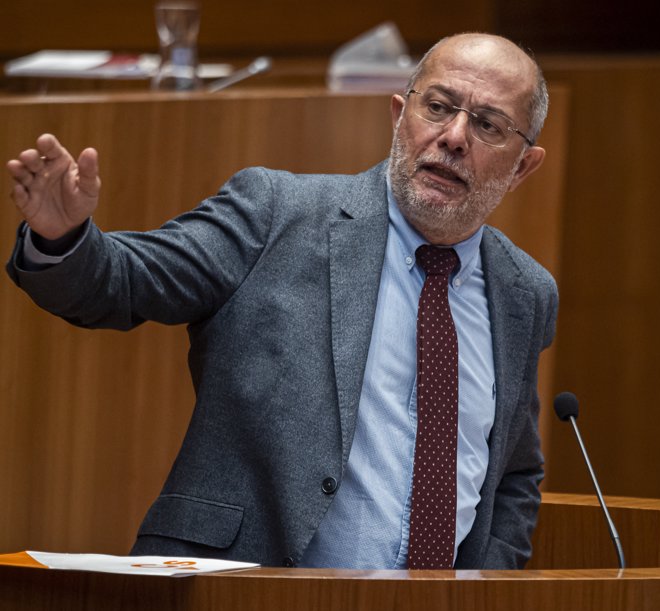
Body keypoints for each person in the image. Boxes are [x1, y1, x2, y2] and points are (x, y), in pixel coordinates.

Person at [6, 33, 557, 570]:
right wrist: (65, 239)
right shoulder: (276, 213)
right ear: (399, 116)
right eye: (438, 107)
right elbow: (127, 280)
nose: (454, 136)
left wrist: (490, 583)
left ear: (523, 167)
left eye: (487, 125)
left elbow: (512, 472)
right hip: (248, 590)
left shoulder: (524, 292)